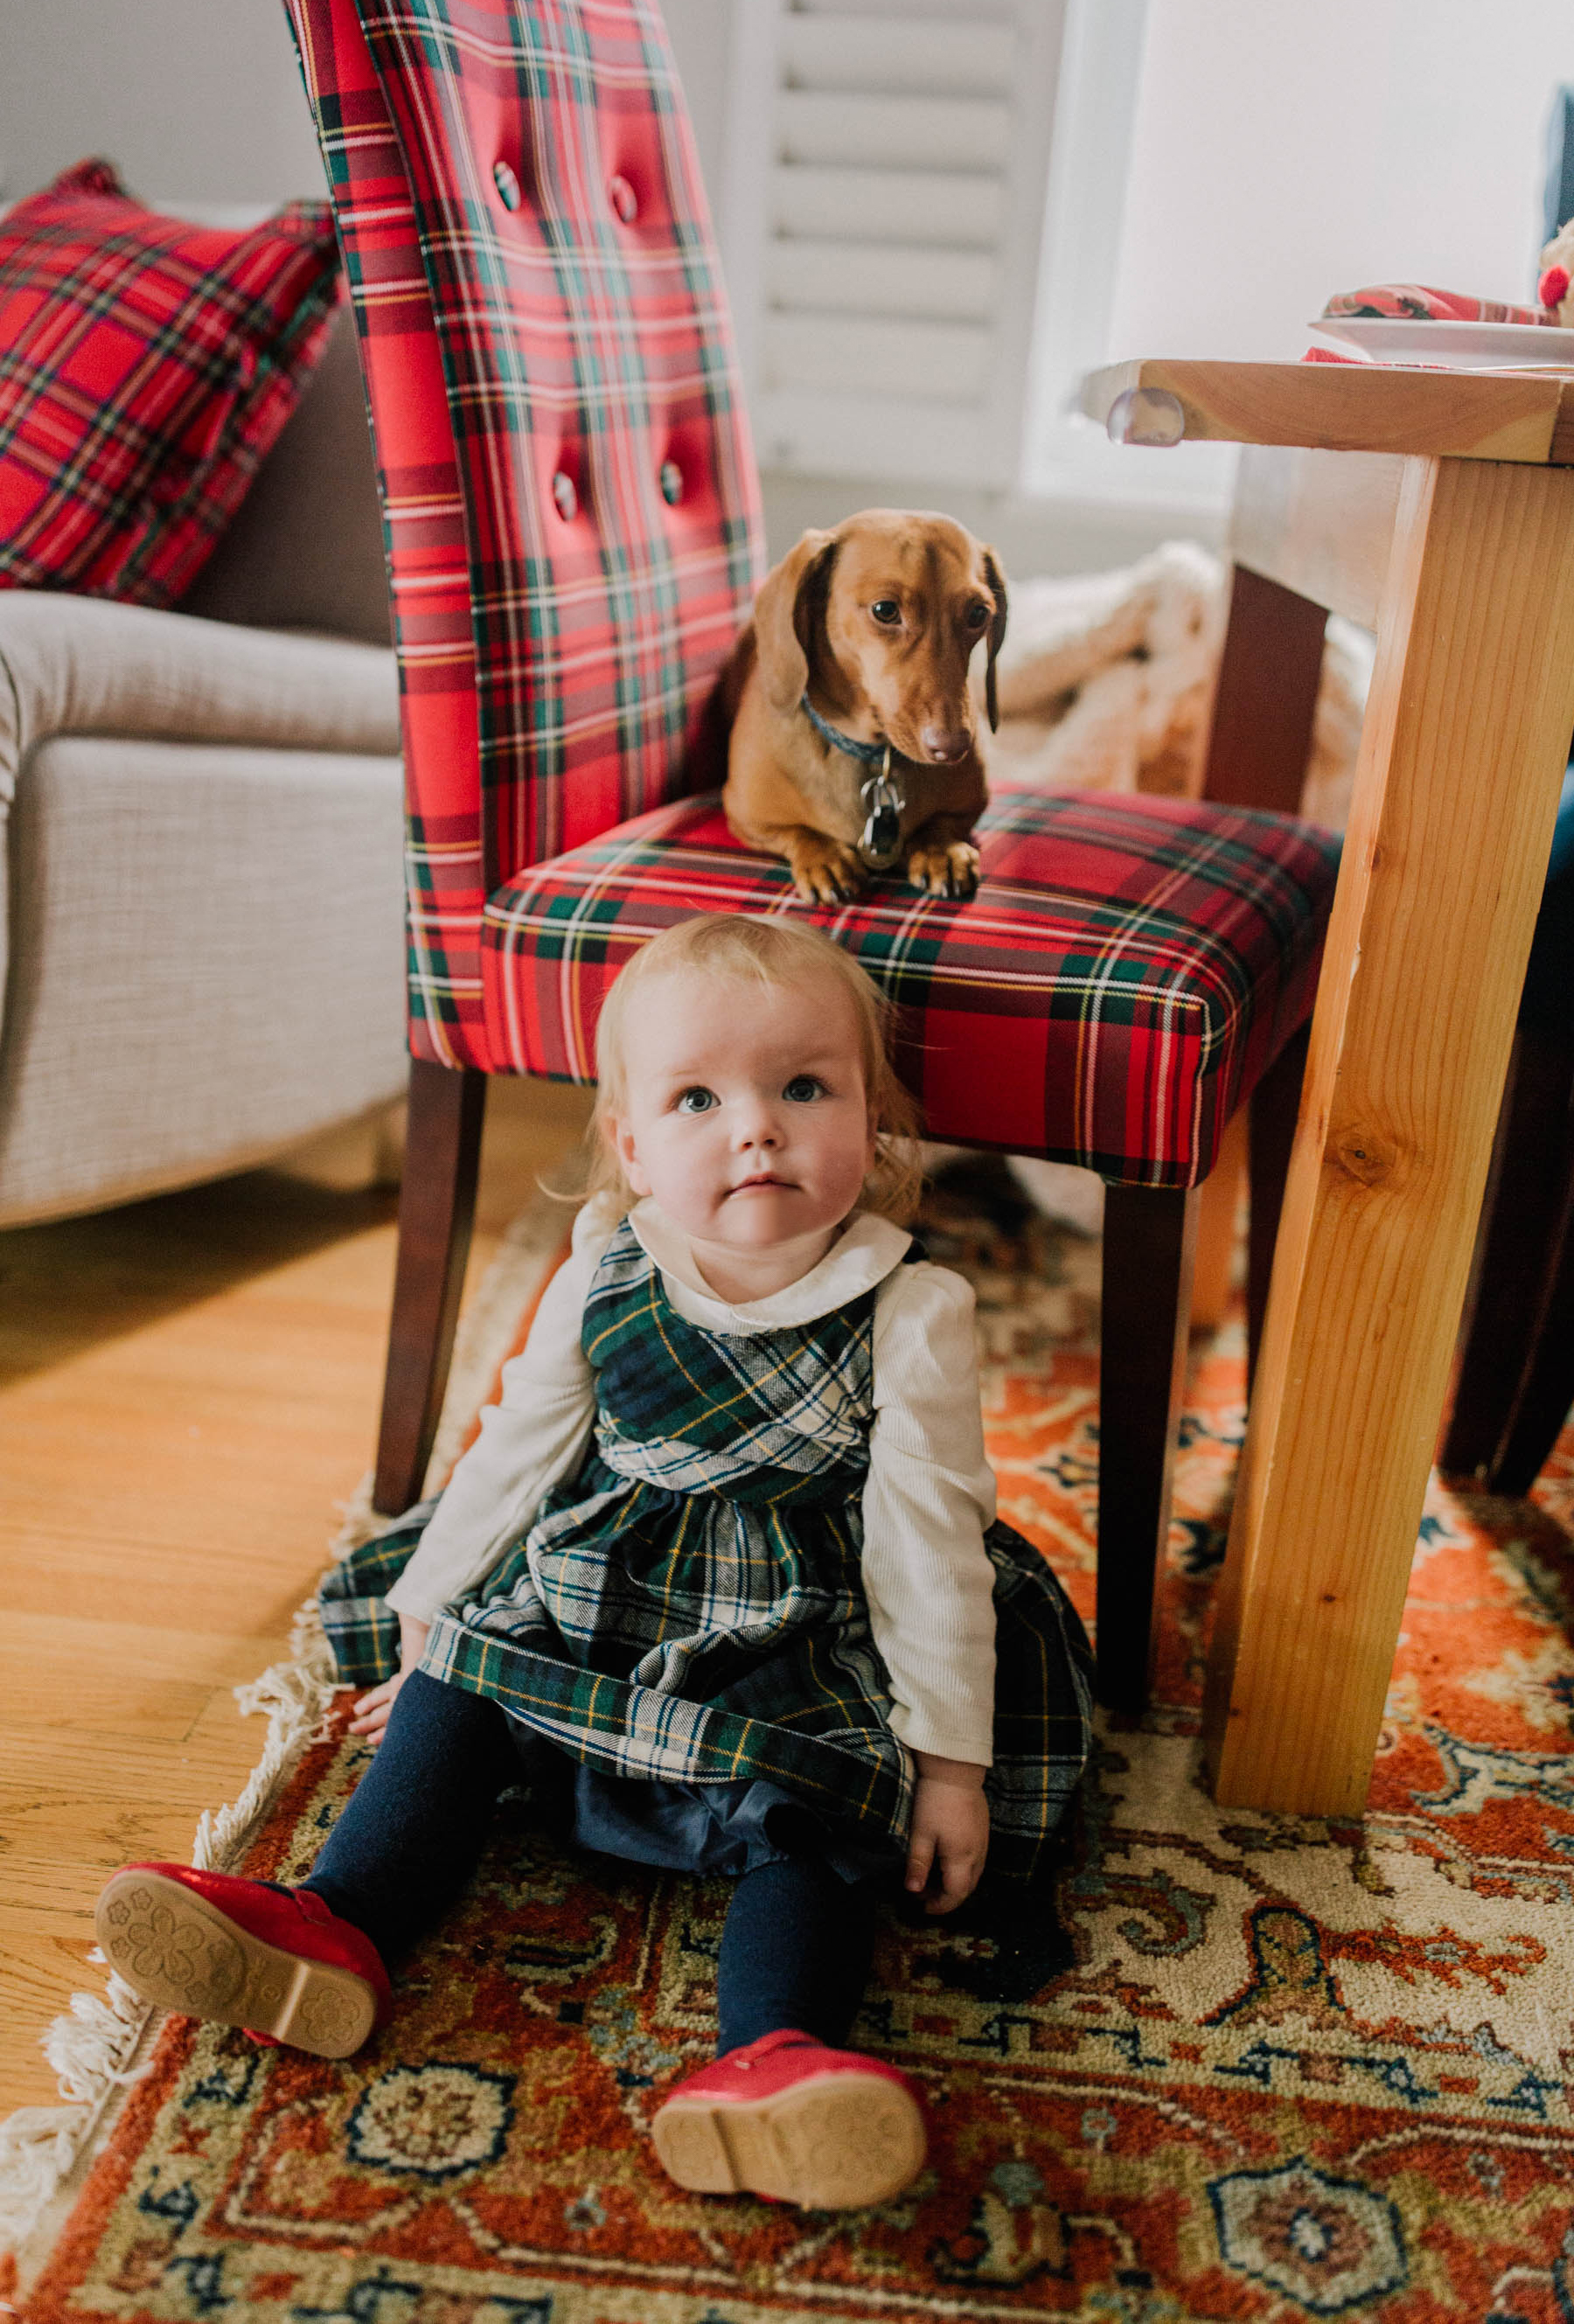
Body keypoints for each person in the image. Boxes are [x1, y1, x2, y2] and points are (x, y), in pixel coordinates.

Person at [97, 915, 1092, 2209]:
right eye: (698, 1097)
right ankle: (336, 1922)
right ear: (629, 1145)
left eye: (806, 1087)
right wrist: (430, 1631)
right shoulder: (607, 1267)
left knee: (831, 1811)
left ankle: (775, 2056)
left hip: (787, 1629)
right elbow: (511, 1456)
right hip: (601, 1591)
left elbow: (927, 1545)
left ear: (878, 1119)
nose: (758, 1129)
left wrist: (948, 1763)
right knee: (466, 1687)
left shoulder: (911, 1309)